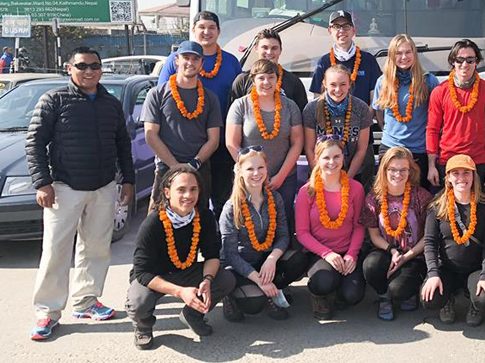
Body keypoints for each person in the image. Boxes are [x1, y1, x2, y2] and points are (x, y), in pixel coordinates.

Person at [27, 46, 135, 341]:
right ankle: (47, 312)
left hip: (102, 187)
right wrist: (42, 182)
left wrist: (128, 181)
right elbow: (35, 143)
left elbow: (123, 144)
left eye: (95, 66)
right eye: (82, 66)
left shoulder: (110, 104)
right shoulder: (54, 100)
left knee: (96, 247)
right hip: (64, 188)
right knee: (56, 251)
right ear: (69, 68)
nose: (89, 71)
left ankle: (86, 301)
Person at [126, 165, 235, 350]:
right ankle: (143, 326)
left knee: (226, 279)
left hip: (186, 271)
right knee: (138, 302)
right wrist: (179, 292)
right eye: (181, 190)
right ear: (167, 192)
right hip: (154, 277)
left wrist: (207, 280)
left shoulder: (204, 216)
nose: (188, 195)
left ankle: (192, 314)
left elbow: (212, 255)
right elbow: (142, 272)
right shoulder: (152, 223)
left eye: (193, 189)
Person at [159, 11, 242, 219]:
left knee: (222, 197)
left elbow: (240, 99)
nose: (206, 32)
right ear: (194, 30)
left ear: (219, 32)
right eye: (202, 27)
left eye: (211, 27)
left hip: (222, 141)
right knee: (180, 200)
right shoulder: (174, 60)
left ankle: (217, 244)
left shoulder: (231, 62)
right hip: (185, 145)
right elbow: (163, 102)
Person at [219, 148, 307, 322]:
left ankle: (272, 289)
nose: (256, 173)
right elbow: (230, 254)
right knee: (254, 304)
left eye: (260, 168)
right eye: (250, 169)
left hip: (264, 260)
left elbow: (283, 236)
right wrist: (259, 280)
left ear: (267, 169)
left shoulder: (275, 199)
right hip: (239, 266)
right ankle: (232, 295)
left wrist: (272, 259)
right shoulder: (232, 207)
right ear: (240, 172)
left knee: (298, 260)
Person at [143, 40, 222, 212]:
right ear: (176, 60)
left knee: (199, 223)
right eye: (186, 57)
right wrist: (175, 166)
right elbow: (151, 135)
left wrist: (193, 164)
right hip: (166, 168)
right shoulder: (156, 94)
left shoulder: (210, 98)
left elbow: (213, 140)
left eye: (195, 59)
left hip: (199, 169)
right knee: (158, 222)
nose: (190, 63)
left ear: (201, 64)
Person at [421, 155, 485, 327]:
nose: (461, 178)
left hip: (474, 269)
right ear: (447, 177)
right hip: (446, 268)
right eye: (455, 173)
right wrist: (433, 273)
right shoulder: (437, 206)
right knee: (430, 300)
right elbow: (430, 243)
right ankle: (447, 299)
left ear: (473, 176)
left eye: (466, 173)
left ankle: (474, 304)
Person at [227, 59, 303, 231]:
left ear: (277, 80)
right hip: (249, 178)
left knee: (283, 225)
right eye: (261, 78)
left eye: (271, 77)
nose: (266, 82)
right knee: (249, 226)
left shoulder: (290, 106)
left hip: (284, 178)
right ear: (253, 80)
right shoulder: (240, 105)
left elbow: (297, 142)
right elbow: (232, 143)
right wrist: (255, 174)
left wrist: (280, 176)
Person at [295, 139, 366, 319]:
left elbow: (359, 226)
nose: (332, 162)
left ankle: (339, 292)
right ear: (317, 159)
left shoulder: (355, 188)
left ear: (343, 158)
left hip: (347, 251)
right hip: (320, 253)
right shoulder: (307, 191)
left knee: (353, 295)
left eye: (337, 156)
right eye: (326, 157)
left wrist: (352, 254)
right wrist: (327, 253)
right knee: (323, 281)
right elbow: (302, 233)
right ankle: (319, 295)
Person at [361, 147, 433, 321]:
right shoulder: (374, 198)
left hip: (414, 253)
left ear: (410, 171)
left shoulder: (422, 197)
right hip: (386, 250)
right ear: (384, 170)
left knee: (399, 291)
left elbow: (428, 236)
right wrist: (393, 251)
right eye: (392, 169)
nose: (397, 174)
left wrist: (407, 256)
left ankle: (406, 291)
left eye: (403, 170)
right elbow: (374, 236)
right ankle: (383, 296)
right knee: (370, 266)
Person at [426, 39, 485, 196]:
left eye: (470, 60)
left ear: (477, 62)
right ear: (453, 61)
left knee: (478, 212)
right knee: (445, 213)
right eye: (459, 59)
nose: (464, 64)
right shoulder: (440, 91)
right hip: (447, 161)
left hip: (478, 163)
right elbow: (432, 130)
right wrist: (431, 165)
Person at [372, 34, 439, 191]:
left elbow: (435, 117)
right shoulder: (383, 81)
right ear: (392, 55)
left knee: (418, 199)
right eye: (399, 53)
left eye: (408, 52)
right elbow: (379, 114)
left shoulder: (429, 81)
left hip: (419, 150)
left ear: (414, 54)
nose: (404, 57)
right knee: (389, 197)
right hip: (390, 147)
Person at [303, 64, 374, 187]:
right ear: (325, 84)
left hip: (353, 174)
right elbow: (309, 148)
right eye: (333, 84)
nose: (337, 90)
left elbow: (361, 149)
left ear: (349, 85)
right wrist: (322, 176)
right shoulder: (312, 109)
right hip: (321, 175)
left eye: (343, 84)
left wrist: (347, 179)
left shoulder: (361, 108)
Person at [309, 10, 381, 105]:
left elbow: (375, 97)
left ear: (354, 30)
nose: (341, 31)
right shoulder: (323, 62)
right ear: (330, 31)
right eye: (336, 27)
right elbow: (318, 99)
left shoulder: (368, 60)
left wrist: (365, 117)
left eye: (346, 26)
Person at [228, 28, 308, 113]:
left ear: (280, 50)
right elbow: (232, 116)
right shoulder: (242, 80)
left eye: (274, 48)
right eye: (265, 48)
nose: (269, 52)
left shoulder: (293, 81)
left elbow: (301, 118)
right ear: (256, 49)